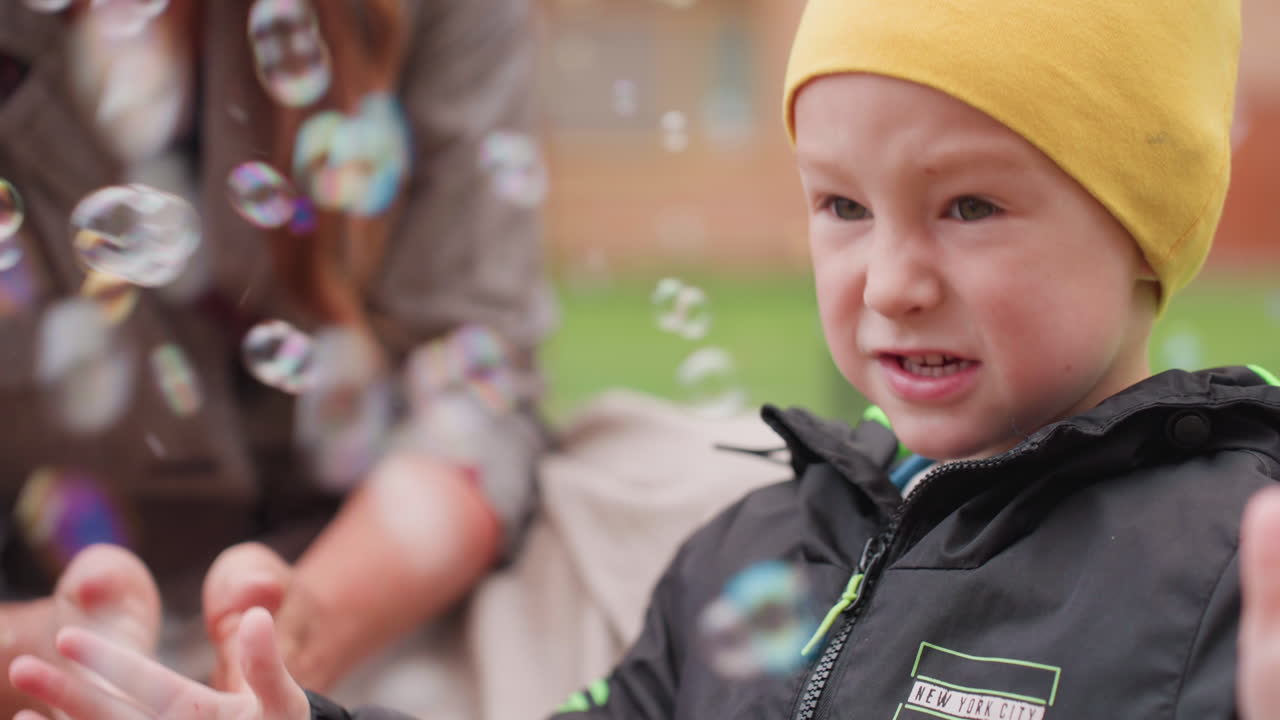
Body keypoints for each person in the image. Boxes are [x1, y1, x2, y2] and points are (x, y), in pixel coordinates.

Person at [10, 0, 1280, 718]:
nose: (890, 282)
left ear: (1141, 224)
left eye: (966, 210)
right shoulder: (754, 549)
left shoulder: (1228, 559)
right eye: (839, 208)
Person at [0, 0, 551, 714]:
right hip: (28, 594)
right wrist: (39, 644)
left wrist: (294, 634)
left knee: (689, 489)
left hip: (355, 571)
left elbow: (476, 382)